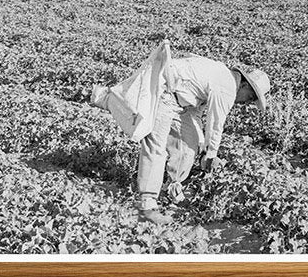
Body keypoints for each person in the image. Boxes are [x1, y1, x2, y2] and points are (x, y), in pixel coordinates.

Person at [91, 44, 270, 225]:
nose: (246, 103)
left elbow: (196, 113)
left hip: (179, 104)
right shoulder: (227, 87)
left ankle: (171, 187)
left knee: (189, 146)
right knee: (156, 148)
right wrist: (211, 155)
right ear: (245, 85)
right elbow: (216, 123)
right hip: (164, 93)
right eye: (250, 98)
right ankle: (147, 206)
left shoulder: (221, 76)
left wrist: (202, 145)